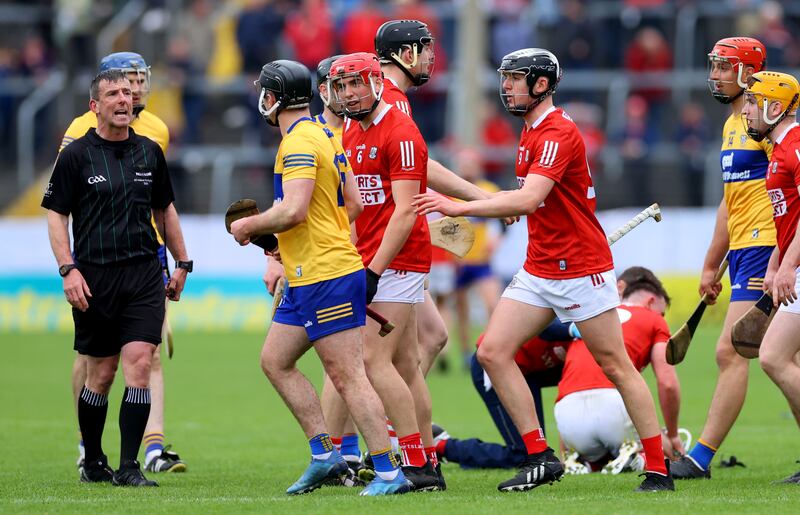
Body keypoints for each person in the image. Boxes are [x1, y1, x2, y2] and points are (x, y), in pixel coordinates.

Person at [413, 48, 673, 492]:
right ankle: (540, 456)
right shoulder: (530, 132)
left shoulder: (556, 131)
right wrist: (504, 205)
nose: (507, 86)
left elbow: (530, 198)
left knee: (616, 366)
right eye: (506, 77)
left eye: (516, 78)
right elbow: (530, 200)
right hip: (541, 267)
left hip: (581, 269)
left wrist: (462, 206)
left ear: (541, 84)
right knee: (492, 352)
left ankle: (657, 468)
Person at [230, 59, 409, 496]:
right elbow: (353, 204)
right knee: (275, 361)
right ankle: (324, 455)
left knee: (347, 374)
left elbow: (292, 209)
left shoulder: (298, 145)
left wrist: (250, 227)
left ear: (271, 98)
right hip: (310, 271)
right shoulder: (326, 134)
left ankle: (389, 471)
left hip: (326, 275)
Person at [42, 69, 191, 487]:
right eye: (113, 93)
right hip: (94, 278)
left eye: (128, 92)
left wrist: (181, 263)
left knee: (140, 364)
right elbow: (56, 214)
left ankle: (129, 467)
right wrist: (68, 269)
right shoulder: (75, 156)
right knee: (102, 375)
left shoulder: (149, 152)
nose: (124, 99)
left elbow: (166, 210)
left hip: (144, 275)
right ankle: (92, 458)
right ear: (95, 106)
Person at [330, 52, 441, 491]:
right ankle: (429, 461)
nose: (350, 93)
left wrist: (372, 271)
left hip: (398, 260)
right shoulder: (352, 130)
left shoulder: (401, 130)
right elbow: (357, 205)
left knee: (373, 361)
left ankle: (412, 464)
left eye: (357, 84)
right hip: (373, 258)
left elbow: (405, 212)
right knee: (406, 365)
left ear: (378, 83)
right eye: (342, 87)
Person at [374, 19, 509, 376]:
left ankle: (399, 430)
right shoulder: (389, 102)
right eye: (425, 49)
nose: (432, 58)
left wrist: (483, 198)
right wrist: (484, 199)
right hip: (384, 243)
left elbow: (421, 165)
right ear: (405, 54)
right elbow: (421, 170)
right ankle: (366, 432)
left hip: (393, 242)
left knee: (429, 339)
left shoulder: (393, 101)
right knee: (365, 363)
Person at [672, 38, 773, 480]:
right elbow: (730, 201)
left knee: (731, 351)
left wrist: (783, 258)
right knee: (782, 357)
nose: (713, 75)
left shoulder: (769, 122)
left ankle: (701, 458)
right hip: (746, 248)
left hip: (769, 247)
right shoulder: (735, 123)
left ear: (748, 72)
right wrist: (713, 262)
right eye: (713, 66)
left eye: (723, 67)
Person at [556, 272, 682, 475]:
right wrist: (673, 437)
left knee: (596, 450)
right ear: (651, 301)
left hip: (566, 416)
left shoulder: (591, 317)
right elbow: (667, 383)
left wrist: (565, 447)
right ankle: (637, 457)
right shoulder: (652, 319)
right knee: (665, 449)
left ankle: (585, 461)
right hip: (614, 408)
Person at [743, 70, 800, 484]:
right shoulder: (778, 149)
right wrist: (773, 263)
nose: (746, 109)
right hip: (792, 262)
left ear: (774, 107)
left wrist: (787, 266)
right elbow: (789, 217)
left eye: (752, 101)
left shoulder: (796, 147)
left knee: (773, 357)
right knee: (784, 359)